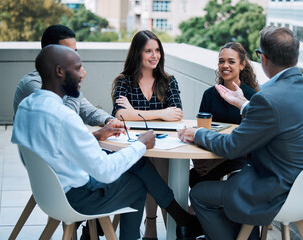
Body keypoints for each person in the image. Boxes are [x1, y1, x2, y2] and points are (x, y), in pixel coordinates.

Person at [12, 45, 202, 240]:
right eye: (77, 68)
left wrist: (96, 136)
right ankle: (179, 220)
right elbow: (104, 171)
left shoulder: (27, 106)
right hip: (77, 197)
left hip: (48, 192)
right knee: (137, 183)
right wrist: (142, 144)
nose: (82, 74)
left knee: (138, 162)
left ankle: (182, 219)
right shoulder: (64, 116)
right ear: (59, 71)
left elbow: (52, 144)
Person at [178, 26, 303, 239]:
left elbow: (231, 147)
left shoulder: (268, 97)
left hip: (276, 189)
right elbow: (278, 116)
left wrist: (197, 134)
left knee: (200, 195)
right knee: (232, 180)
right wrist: (243, 104)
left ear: (263, 59)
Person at [111, 30, 183, 240]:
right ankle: (175, 225)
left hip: (163, 145)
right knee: (152, 165)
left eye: (157, 50)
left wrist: (135, 113)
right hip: (133, 146)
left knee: (156, 162)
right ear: (137, 53)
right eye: (148, 51)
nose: (155, 55)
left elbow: (177, 114)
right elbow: (121, 115)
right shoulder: (124, 81)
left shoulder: (168, 81)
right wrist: (161, 113)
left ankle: (153, 224)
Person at [13, 24, 115, 127]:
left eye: (75, 52)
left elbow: (89, 112)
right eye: (68, 53)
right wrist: (75, 84)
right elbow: (66, 123)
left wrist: (110, 120)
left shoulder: (63, 80)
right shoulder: (33, 86)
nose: (75, 57)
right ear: (50, 54)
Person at [190, 42, 259, 188]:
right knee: (194, 177)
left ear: (242, 65)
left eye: (231, 62)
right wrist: (198, 160)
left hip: (238, 156)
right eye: (221, 61)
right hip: (212, 152)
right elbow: (202, 129)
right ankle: (196, 209)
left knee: (202, 178)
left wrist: (214, 162)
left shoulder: (252, 97)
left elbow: (250, 142)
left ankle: (199, 208)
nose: (225, 65)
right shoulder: (209, 95)